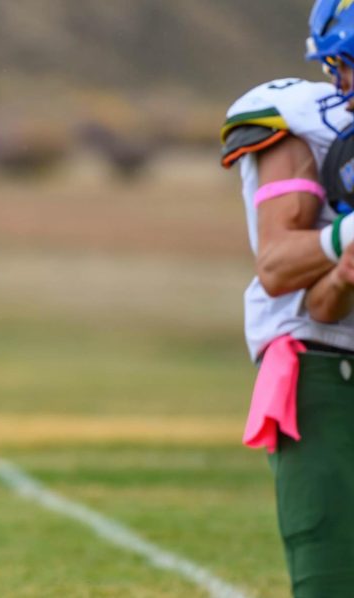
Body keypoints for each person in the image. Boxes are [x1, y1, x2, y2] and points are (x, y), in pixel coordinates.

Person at [222, 1, 354, 594]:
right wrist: (346, 237)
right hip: (322, 372)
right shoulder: (300, 122)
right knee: (330, 573)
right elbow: (278, 268)